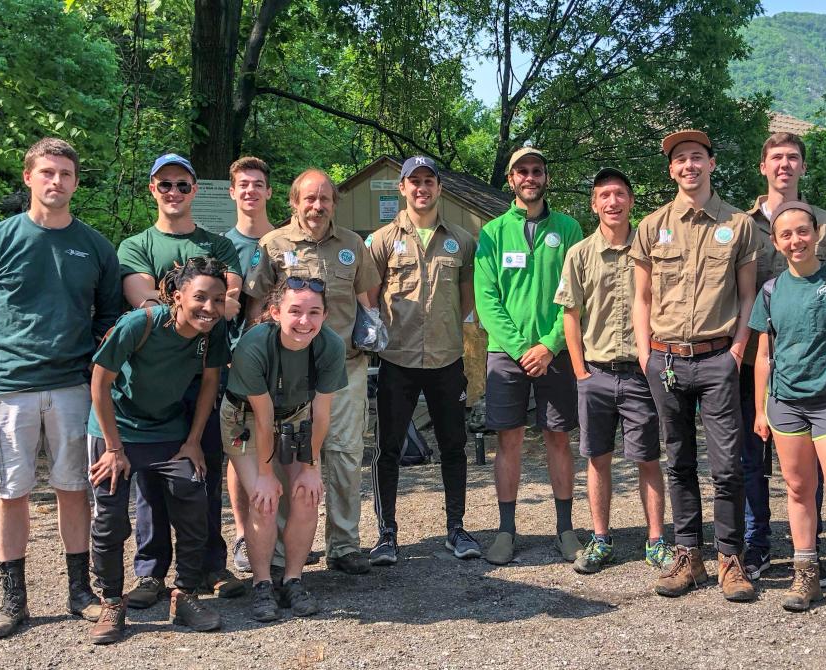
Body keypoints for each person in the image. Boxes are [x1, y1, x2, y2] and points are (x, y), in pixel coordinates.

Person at [0, 137, 122, 639]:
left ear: (76, 182)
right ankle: (13, 600)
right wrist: (8, 352)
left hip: (75, 386)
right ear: (28, 177)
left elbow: (111, 316)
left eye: (66, 174)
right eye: (47, 172)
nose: (57, 181)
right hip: (9, 387)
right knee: (11, 492)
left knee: (75, 488)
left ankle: (80, 592)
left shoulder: (94, 246)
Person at [629, 129, 757, 601]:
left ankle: (730, 558)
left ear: (711, 163)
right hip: (666, 361)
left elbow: (748, 297)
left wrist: (737, 351)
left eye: (697, 157)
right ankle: (689, 556)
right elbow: (640, 298)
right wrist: (645, 353)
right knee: (679, 461)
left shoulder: (737, 224)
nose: (689, 165)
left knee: (727, 466)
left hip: (718, 358)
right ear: (671, 169)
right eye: (681, 159)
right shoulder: (652, 225)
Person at [116, 153, 246, 608]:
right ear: (153, 189)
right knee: (151, 479)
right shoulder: (136, 245)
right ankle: (151, 573)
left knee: (204, 471)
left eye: (183, 185)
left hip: (206, 373)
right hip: (153, 381)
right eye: (165, 184)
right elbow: (143, 301)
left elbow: (228, 302)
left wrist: (201, 306)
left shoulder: (219, 244)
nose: (174, 192)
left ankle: (211, 564)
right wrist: (194, 308)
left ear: (195, 190)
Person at [86, 258, 231, 644]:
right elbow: (100, 382)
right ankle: (112, 602)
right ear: (178, 295)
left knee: (192, 495)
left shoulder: (214, 331)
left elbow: (209, 384)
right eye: (200, 297)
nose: (209, 308)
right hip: (117, 429)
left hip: (169, 430)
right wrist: (114, 448)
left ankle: (184, 594)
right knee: (110, 514)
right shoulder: (141, 323)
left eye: (218, 300)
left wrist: (193, 441)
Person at [244, 168, 380, 575]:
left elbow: (367, 301)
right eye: (309, 199)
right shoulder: (272, 245)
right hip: (289, 373)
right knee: (287, 454)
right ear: (293, 202)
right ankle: (285, 551)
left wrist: (373, 335)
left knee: (343, 454)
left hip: (345, 368)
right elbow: (255, 310)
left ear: (334, 203)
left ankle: (344, 544)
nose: (317, 207)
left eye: (324, 199)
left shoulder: (353, 245)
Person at [749, 201, 826, 624]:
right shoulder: (771, 290)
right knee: (799, 491)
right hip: (785, 405)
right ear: (776, 241)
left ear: (817, 233)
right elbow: (764, 354)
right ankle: (807, 575)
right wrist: (763, 409)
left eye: (802, 232)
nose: (795, 240)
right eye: (786, 235)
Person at [742, 133, 826, 581]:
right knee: (754, 459)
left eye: (793, 158)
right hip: (758, 360)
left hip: (818, 369)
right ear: (762, 167)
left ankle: (809, 554)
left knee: (813, 470)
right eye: (776, 158)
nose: (784, 165)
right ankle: (757, 545)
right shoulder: (740, 222)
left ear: (803, 168)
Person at [554, 167, 669, 574]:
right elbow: (571, 314)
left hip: (640, 374)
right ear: (594, 204)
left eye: (619, 194)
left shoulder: (652, 249)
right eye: (604, 196)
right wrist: (580, 372)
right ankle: (601, 539)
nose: (612, 202)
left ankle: (656, 540)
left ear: (631, 201)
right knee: (597, 457)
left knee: (648, 457)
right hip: (596, 374)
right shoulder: (580, 253)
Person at [366, 157, 481, 565]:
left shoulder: (462, 241)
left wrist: (448, 329)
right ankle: (386, 534)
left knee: (453, 446)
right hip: (397, 359)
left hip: (445, 360)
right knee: (388, 449)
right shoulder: (381, 240)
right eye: (413, 182)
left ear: (439, 188)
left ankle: (456, 527)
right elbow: (369, 293)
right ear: (401, 188)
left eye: (429, 181)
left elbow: (467, 298)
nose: (421, 189)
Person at [474, 146, 584, 566]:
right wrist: (522, 349)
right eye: (522, 171)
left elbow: (576, 294)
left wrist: (550, 344)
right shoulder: (492, 233)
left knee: (558, 437)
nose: (530, 177)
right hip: (507, 354)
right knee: (510, 440)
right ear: (511, 179)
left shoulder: (569, 228)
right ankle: (506, 531)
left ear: (546, 178)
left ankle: (565, 529)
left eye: (537, 170)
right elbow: (487, 299)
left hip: (555, 350)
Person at [221, 277, 346, 621]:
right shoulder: (255, 344)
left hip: (296, 416)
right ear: (275, 312)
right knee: (265, 499)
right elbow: (261, 417)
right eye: (295, 311)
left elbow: (322, 412)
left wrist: (310, 466)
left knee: (307, 493)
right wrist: (264, 473)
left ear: (324, 316)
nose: (304, 321)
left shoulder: (330, 346)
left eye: (314, 312)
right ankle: (262, 583)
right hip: (245, 421)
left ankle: (293, 580)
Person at [222, 155, 278, 575]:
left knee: (281, 446)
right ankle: (244, 535)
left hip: (283, 363)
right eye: (243, 184)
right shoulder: (221, 246)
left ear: (268, 192)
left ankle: (275, 534)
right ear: (232, 192)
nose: (250, 191)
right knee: (240, 448)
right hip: (234, 362)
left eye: (257, 184)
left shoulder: (285, 241)